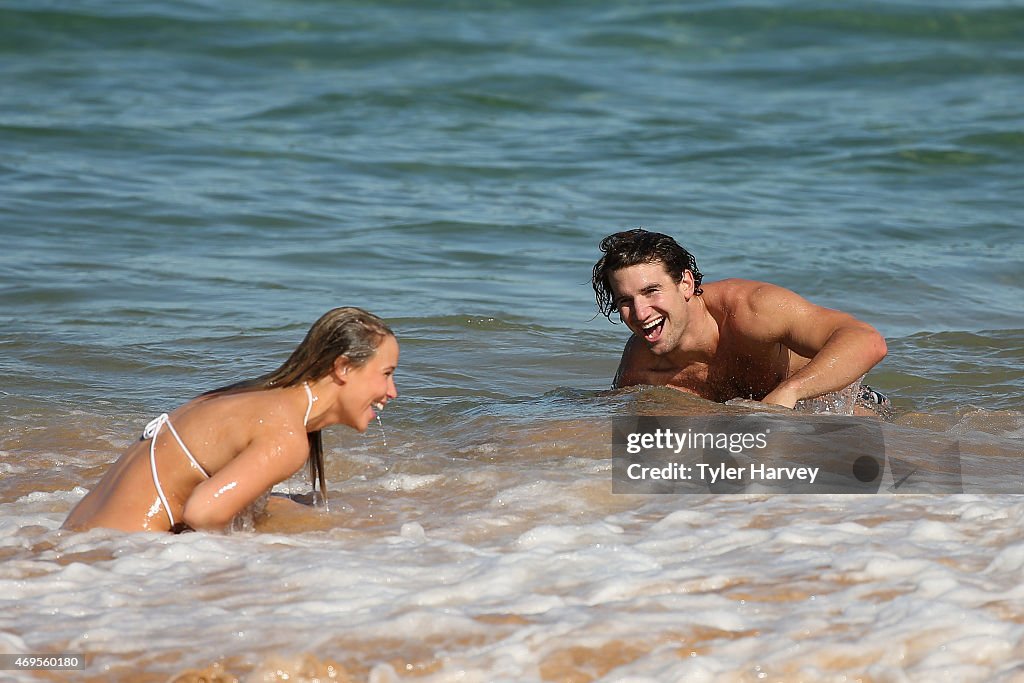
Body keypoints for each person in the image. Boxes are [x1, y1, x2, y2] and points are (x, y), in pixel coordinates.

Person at [63, 307, 399, 533]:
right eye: (386, 374)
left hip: (80, 539)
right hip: (120, 558)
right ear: (342, 368)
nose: (392, 391)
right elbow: (203, 512)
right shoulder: (287, 435)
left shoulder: (256, 398)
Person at [592, 229, 890, 415]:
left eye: (651, 291)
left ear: (685, 283)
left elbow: (867, 341)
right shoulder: (641, 368)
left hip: (838, 406)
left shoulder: (751, 309)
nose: (641, 313)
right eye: (626, 301)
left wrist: (788, 392)